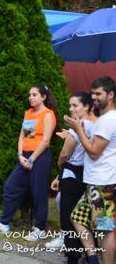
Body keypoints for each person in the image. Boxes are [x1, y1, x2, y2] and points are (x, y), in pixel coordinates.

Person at [0, 85, 57, 242]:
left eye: (35, 94)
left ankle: (40, 229)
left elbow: (45, 141)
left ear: (44, 97)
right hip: (24, 157)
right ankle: (4, 224)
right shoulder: (29, 113)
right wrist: (20, 156)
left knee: (39, 193)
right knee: (10, 187)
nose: (31, 97)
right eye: (29, 95)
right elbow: (22, 137)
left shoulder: (48, 114)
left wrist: (32, 159)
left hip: (40, 157)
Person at [66, 76, 116, 264]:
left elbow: (94, 151)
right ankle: (93, 258)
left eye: (98, 93)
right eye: (93, 92)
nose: (93, 97)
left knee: (104, 229)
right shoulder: (107, 118)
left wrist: (78, 129)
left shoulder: (107, 120)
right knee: (77, 217)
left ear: (110, 94)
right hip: (96, 182)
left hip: (103, 184)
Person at [48, 92, 96, 263]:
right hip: (89, 175)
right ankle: (87, 253)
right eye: (70, 105)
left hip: (72, 173)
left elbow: (65, 153)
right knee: (85, 216)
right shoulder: (96, 125)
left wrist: (60, 165)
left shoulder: (79, 126)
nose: (71, 109)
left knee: (69, 218)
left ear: (88, 106)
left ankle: (72, 257)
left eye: (75, 105)